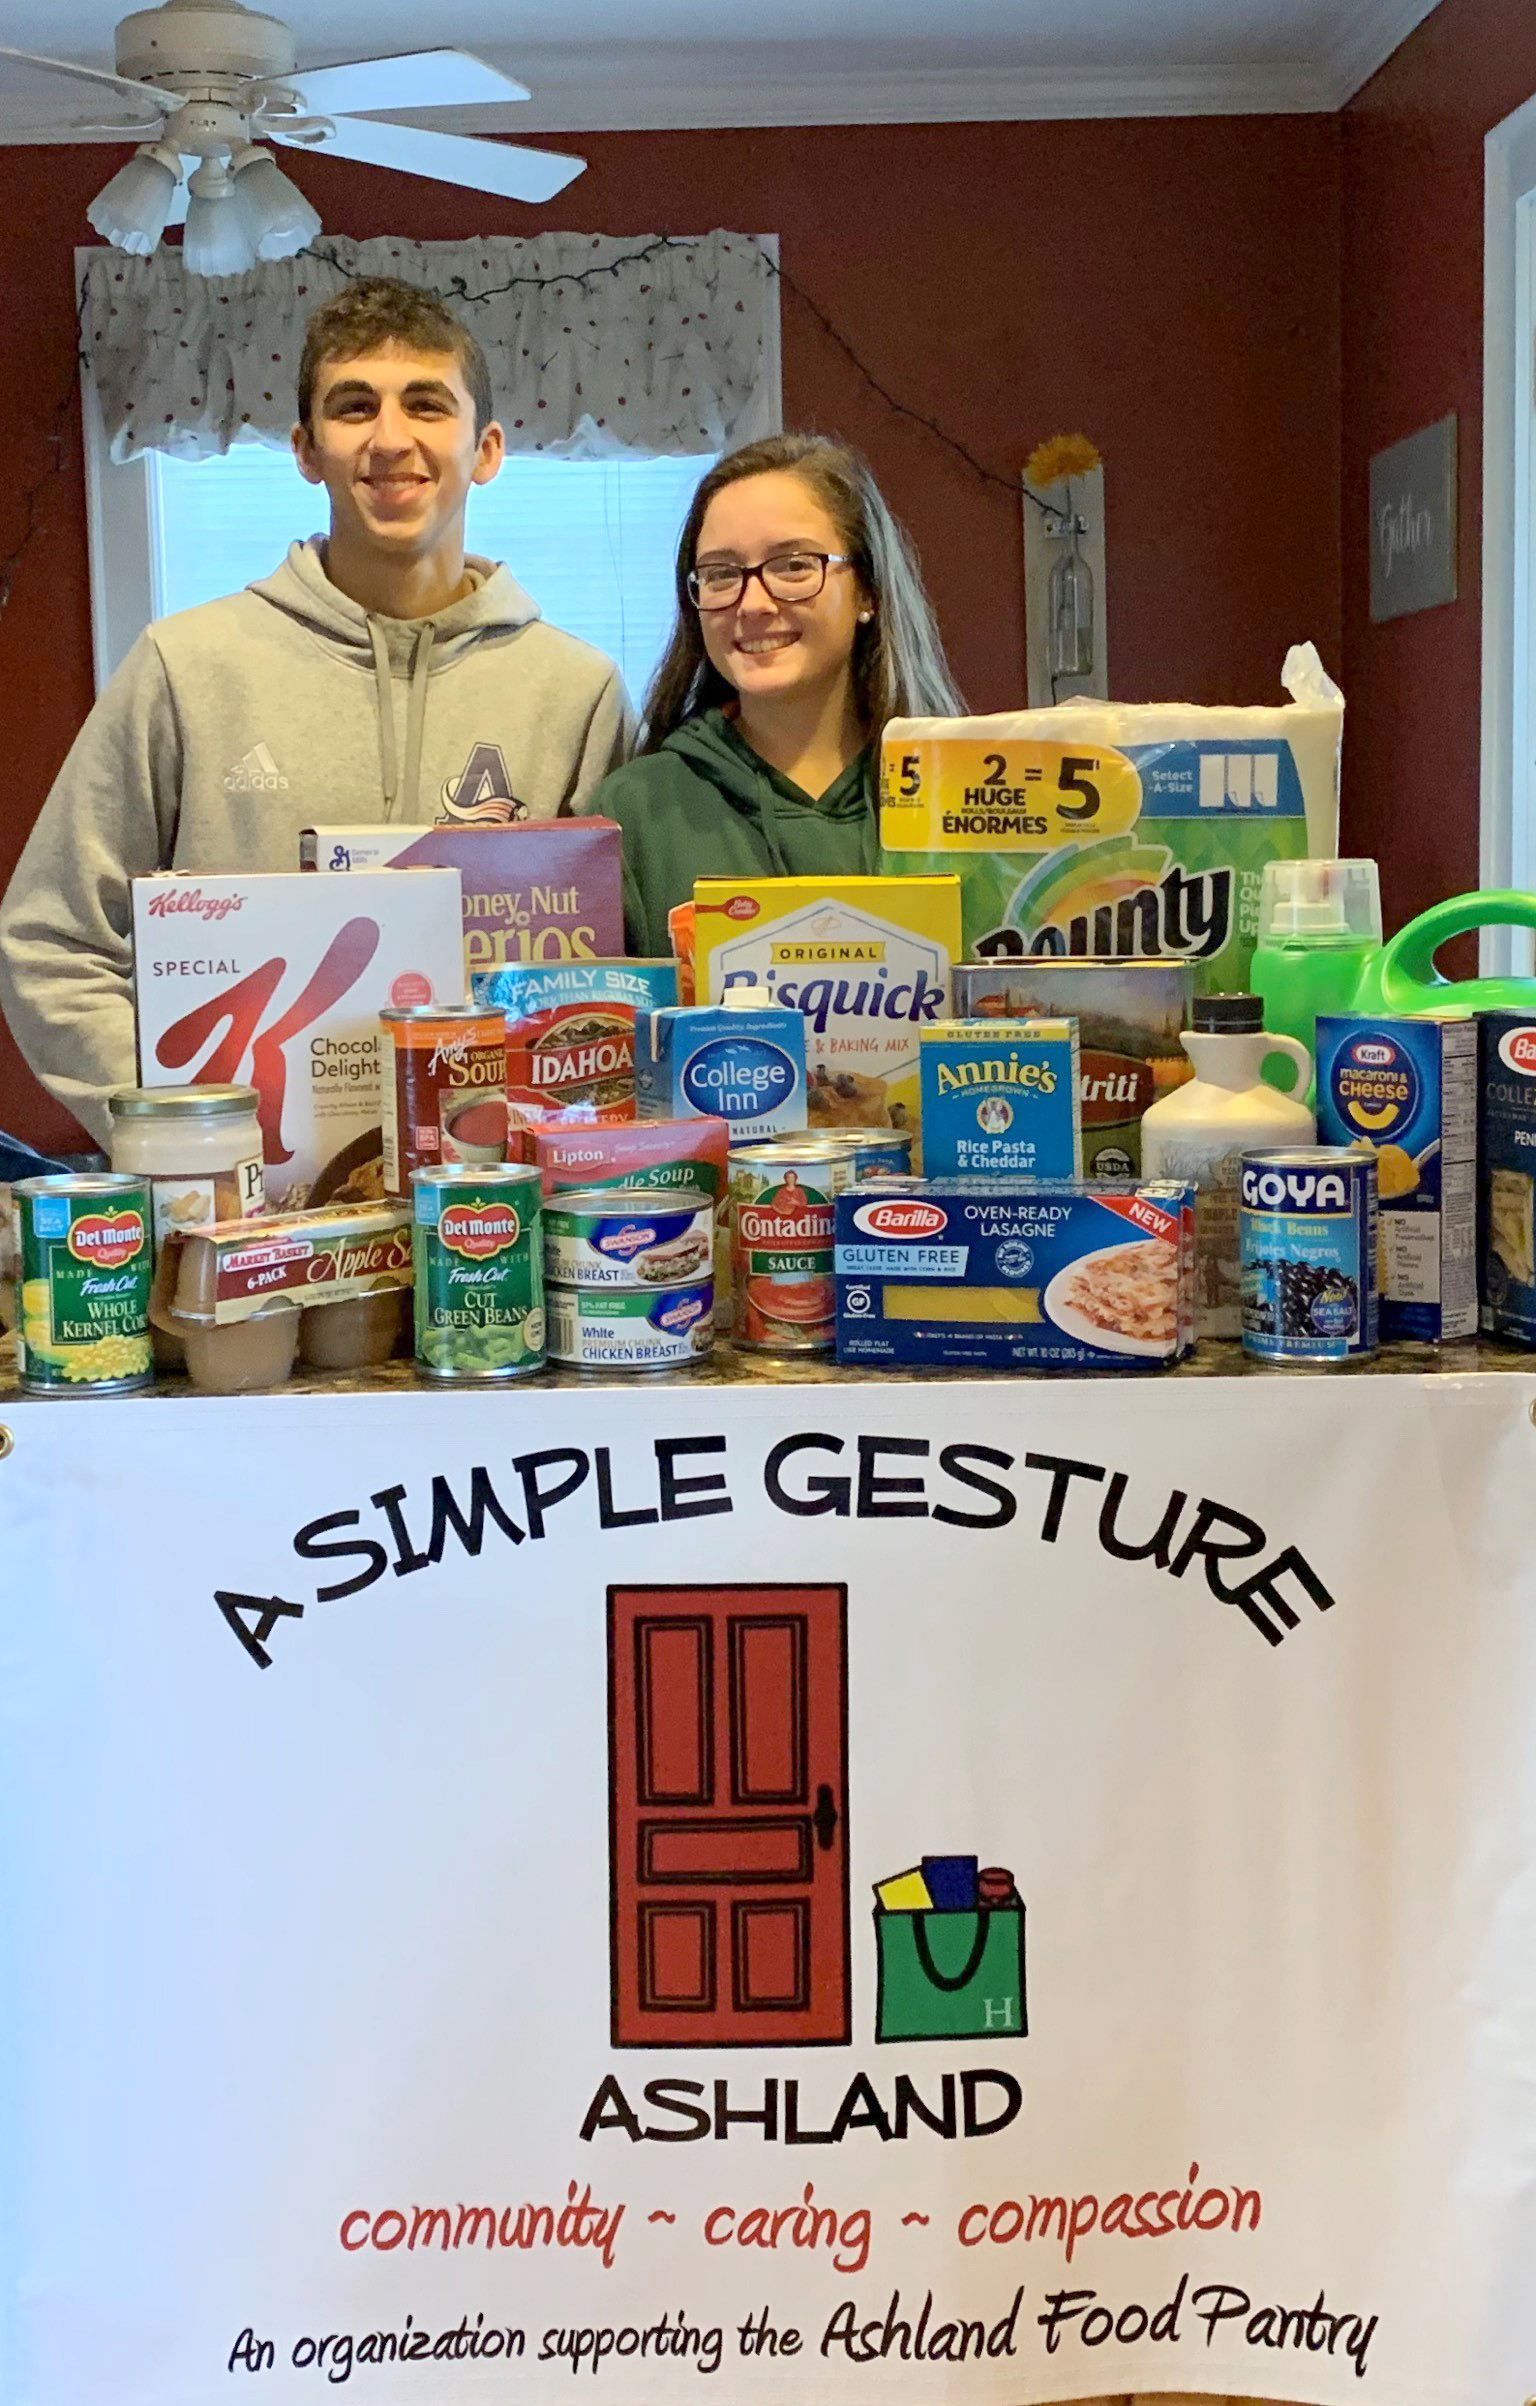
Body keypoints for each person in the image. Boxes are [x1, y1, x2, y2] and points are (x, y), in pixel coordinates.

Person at [0, 276, 631, 1143]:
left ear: (485, 449)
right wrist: (181, 1134)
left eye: (426, 404)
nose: (390, 437)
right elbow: (54, 939)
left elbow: (614, 973)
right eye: (353, 406)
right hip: (245, 1206)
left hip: (492, 1193)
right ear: (306, 449)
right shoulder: (186, 666)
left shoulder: (577, 689)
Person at [580, 432, 963, 956]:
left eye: (793, 565)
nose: (753, 603)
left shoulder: (963, 796)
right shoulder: (634, 810)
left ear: (868, 590)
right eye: (721, 574)